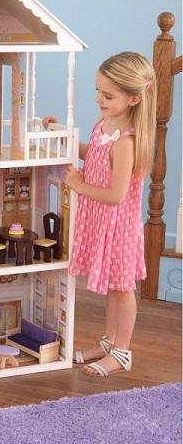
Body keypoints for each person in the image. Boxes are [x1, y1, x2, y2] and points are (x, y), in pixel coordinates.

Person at [44, 52, 156, 377]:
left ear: (134, 98)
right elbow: (93, 154)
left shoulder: (126, 142)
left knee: (122, 289)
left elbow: (116, 195)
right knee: (112, 287)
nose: (98, 100)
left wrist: (78, 184)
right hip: (100, 223)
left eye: (108, 96)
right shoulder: (104, 126)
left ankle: (122, 352)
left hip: (118, 227)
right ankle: (108, 342)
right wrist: (62, 138)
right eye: (98, 91)